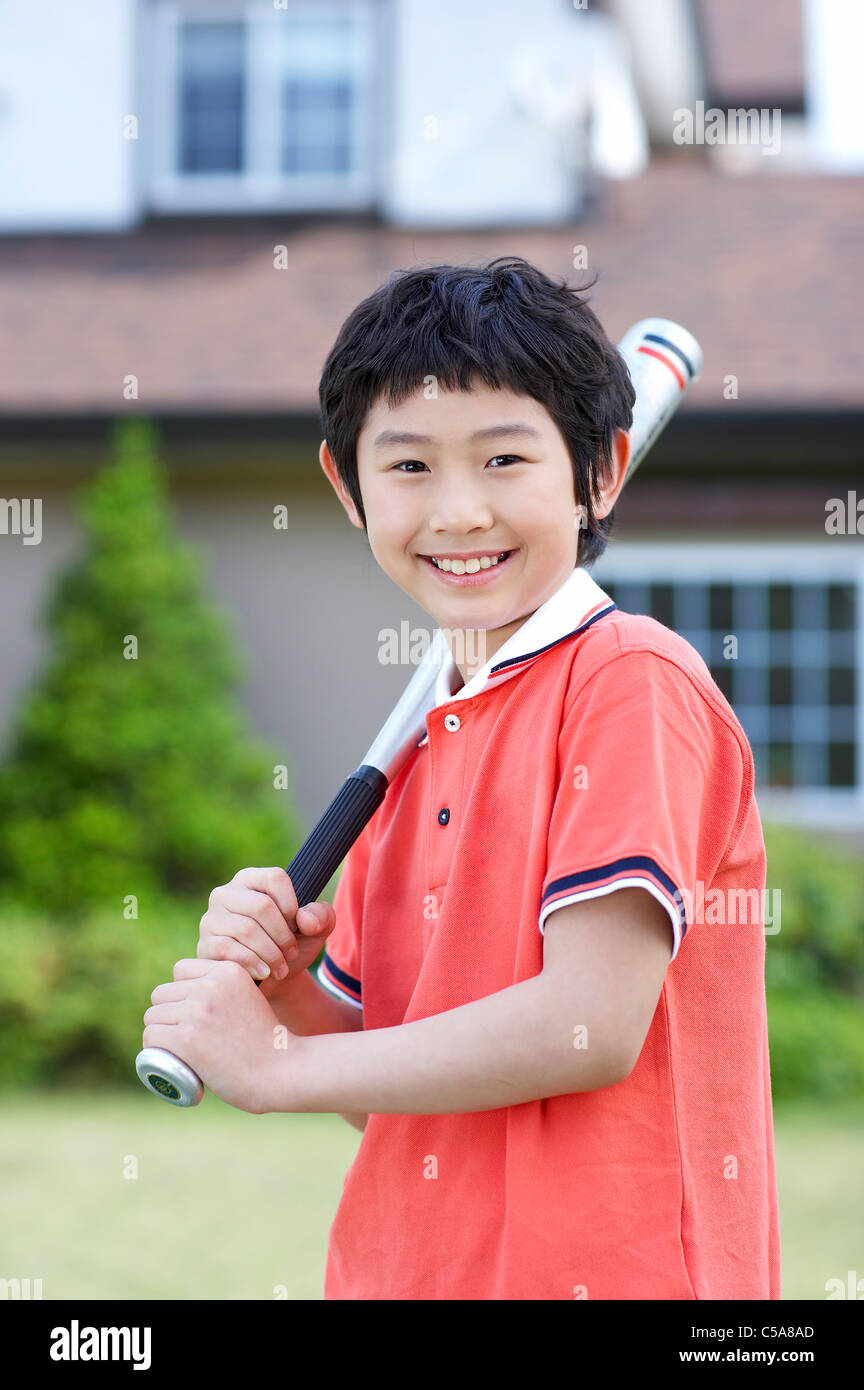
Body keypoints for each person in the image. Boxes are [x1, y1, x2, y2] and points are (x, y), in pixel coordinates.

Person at [143, 256, 781, 1300]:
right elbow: (391, 1082)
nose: (459, 512)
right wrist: (288, 996)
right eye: (409, 468)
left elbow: (588, 1023)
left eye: (504, 460)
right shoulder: (413, 748)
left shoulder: (631, 682)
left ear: (599, 474)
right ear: (346, 488)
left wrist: (279, 1070)